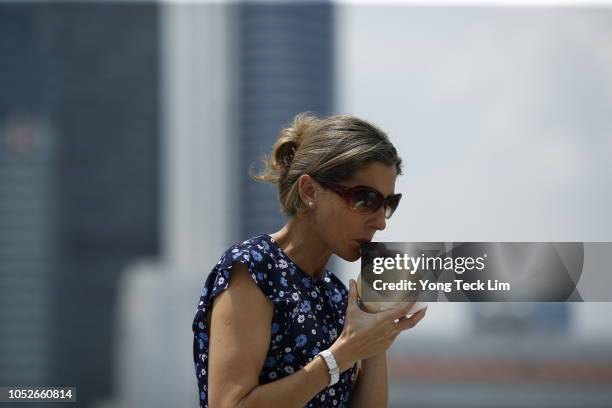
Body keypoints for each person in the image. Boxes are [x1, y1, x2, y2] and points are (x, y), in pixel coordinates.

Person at [192, 112, 427, 408]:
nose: (380, 222)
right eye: (365, 199)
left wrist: (375, 339)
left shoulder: (337, 294)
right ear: (309, 191)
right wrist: (343, 353)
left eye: (388, 204)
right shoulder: (253, 269)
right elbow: (229, 404)